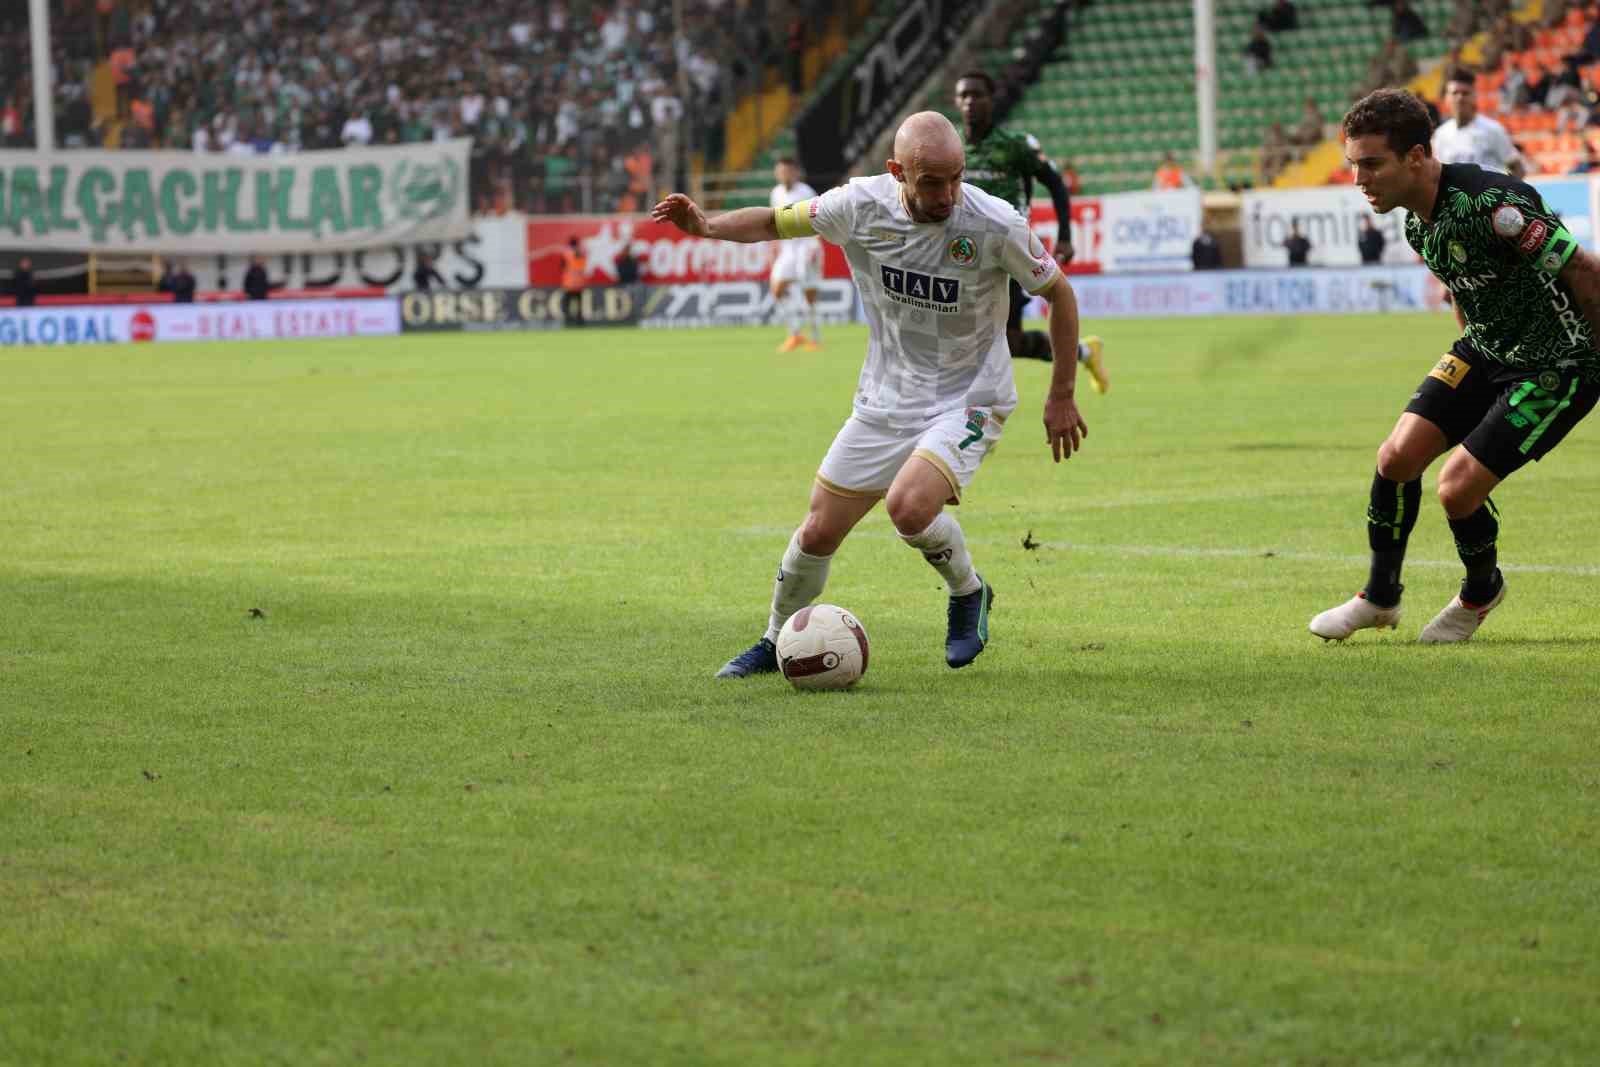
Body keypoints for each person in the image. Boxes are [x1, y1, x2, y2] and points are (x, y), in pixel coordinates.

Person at [651, 111, 1088, 678]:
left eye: (956, 177)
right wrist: (706, 225)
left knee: (908, 507)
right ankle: (774, 638)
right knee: (817, 530)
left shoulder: (993, 222)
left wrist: (1061, 395)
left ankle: (968, 592)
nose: (949, 193)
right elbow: (773, 223)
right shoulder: (857, 205)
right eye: (932, 181)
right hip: (887, 398)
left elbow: (1060, 293)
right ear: (896, 172)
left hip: (970, 396)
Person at [1310, 88, 1600, 644]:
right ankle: (1379, 597)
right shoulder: (1416, 220)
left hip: (1558, 363)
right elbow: (1459, 291)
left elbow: (1584, 272)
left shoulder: (1496, 207)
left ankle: (1479, 591)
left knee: (1456, 488)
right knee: (1396, 457)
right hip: (1485, 348)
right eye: (1354, 165)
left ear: (1416, 157)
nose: (1359, 180)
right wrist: (1465, 366)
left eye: (1372, 164)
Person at [954, 71, 1108, 390]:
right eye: (963, 96)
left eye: (977, 95)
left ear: (991, 99)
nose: (970, 102)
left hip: (1005, 254)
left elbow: (1055, 184)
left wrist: (1065, 235)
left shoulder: (1016, 146)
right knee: (996, 341)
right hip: (964, 255)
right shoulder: (952, 146)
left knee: (1002, 343)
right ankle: (1083, 352)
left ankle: (972, 421)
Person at [768, 158, 824, 353]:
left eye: (788, 171)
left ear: (795, 173)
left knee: (809, 293)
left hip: (806, 245)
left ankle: (816, 338)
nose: (784, 175)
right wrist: (774, 245)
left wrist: (814, 245)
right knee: (776, 289)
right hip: (787, 248)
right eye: (781, 171)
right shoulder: (775, 193)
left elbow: (819, 217)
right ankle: (795, 334)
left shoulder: (806, 192)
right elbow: (775, 221)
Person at [1433, 69, 1524, 178]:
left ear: (1474, 96)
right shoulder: (1440, 135)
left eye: (1465, 93)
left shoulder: (1492, 130)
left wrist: (1509, 193)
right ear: (1446, 98)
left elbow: (1517, 167)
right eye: (1454, 93)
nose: (1460, 97)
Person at [560, 237, 586, 327]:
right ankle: (580, 322)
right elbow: (583, 266)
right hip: (579, 283)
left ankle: (568, 321)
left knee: (566, 303)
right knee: (579, 304)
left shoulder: (566, 253)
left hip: (569, 283)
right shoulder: (581, 253)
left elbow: (562, 266)